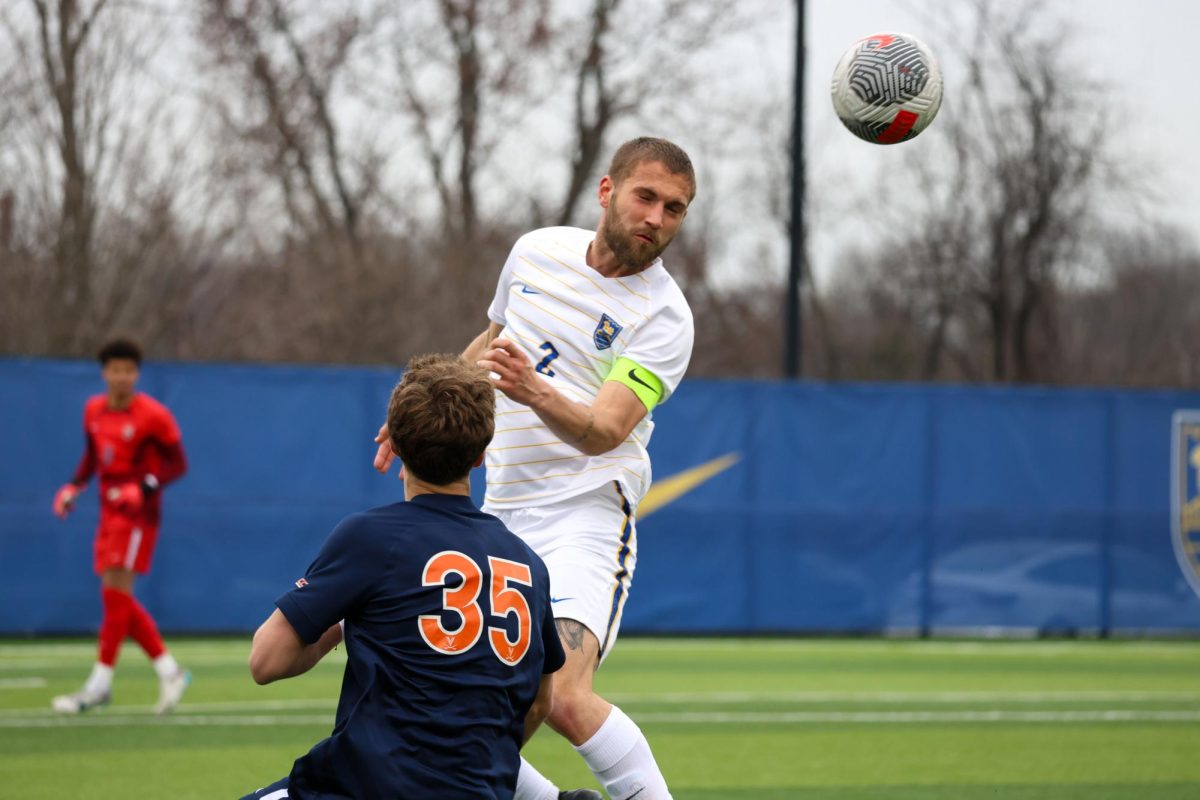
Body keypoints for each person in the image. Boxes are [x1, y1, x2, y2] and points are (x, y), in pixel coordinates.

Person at [375, 137, 696, 800]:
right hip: (496, 518)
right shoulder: (536, 251)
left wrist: (532, 391)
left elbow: (605, 430)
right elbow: (492, 344)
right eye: (647, 197)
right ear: (608, 191)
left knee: (568, 698)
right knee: (465, 722)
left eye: (675, 208)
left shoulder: (664, 317)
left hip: (585, 513)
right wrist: (421, 410)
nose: (657, 217)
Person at [243, 354, 566, 800]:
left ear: (394, 442)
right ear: (480, 456)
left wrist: (342, 620)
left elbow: (266, 661)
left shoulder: (370, 538)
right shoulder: (528, 564)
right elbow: (538, 703)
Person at [50, 338, 191, 715]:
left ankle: (99, 684)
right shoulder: (93, 410)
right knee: (117, 599)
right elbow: (92, 457)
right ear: (105, 372)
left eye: (129, 370)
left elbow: (177, 464)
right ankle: (169, 670)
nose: (122, 376)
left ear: (137, 373)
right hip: (108, 513)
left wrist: (141, 487)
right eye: (115, 369)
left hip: (138, 516)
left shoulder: (153, 415)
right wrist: (74, 487)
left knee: (116, 596)